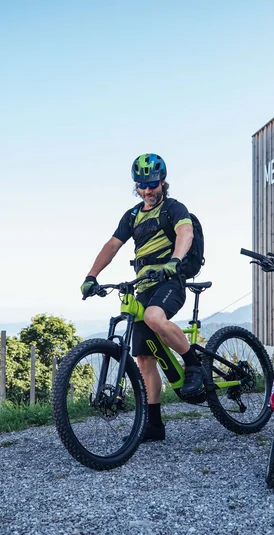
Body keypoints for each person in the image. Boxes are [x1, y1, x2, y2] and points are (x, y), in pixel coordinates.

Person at [80, 153, 204, 442]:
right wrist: (91, 276)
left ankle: (193, 362)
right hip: (143, 285)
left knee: (153, 316)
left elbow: (185, 232)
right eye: (141, 185)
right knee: (144, 358)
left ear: (163, 182)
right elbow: (112, 245)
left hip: (170, 280)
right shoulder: (133, 216)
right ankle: (154, 425)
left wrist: (175, 259)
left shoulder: (173, 208)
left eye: (152, 184)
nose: (147, 190)